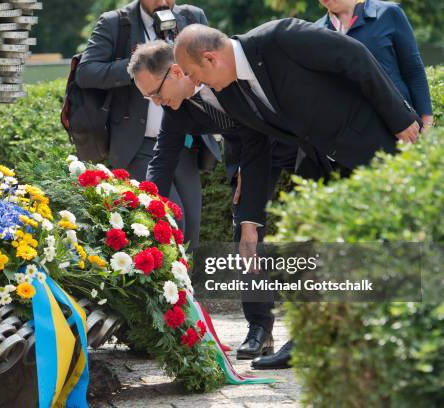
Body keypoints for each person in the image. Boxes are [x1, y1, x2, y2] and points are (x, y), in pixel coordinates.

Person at [174, 20, 421, 369]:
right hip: (320, 166)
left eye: (193, 73)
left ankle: (411, 337)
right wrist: (250, 220)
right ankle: (308, 341)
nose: (195, 83)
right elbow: (255, 151)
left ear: (211, 58)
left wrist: (399, 116)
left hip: (369, 143)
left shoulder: (281, 38)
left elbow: (355, 56)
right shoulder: (229, 92)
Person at [128, 40, 305, 362]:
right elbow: (163, 157)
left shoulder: (223, 74)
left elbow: (260, 130)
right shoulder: (176, 105)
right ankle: (260, 328)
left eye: (154, 92)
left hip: (295, 141)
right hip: (249, 155)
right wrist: (145, 204)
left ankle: (312, 332)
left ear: (177, 71)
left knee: (309, 226)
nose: (155, 103)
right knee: (245, 235)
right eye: (147, 98)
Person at [75, 0, 218, 250]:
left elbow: (213, 66)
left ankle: (189, 288)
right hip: (138, 144)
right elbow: (86, 72)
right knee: (172, 222)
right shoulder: (115, 23)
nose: (164, 3)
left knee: (192, 228)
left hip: (183, 143)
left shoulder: (193, 17)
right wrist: (140, 65)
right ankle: (169, 287)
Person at [316, 0, 434, 129]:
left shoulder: (389, 13)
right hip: (350, 133)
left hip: (402, 126)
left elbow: (413, 70)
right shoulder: (317, 31)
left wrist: (427, 123)